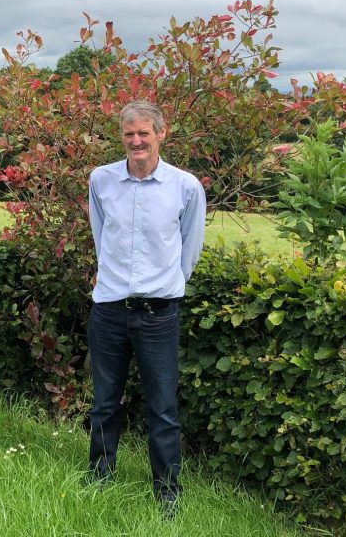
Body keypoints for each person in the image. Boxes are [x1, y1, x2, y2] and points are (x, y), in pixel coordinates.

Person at [86, 100, 206, 516]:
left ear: (161, 133)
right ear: (121, 137)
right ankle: (99, 478)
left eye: (144, 133)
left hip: (158, 313)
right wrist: (114, 280)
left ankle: (168, 492)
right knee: (104, 401)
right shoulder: (101, 180)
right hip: (109, 310)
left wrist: (164, 286)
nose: (136, 141)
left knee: (163, 408)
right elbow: (101, 237)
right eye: (129, 134)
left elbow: (189, 251)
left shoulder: (185, 187)